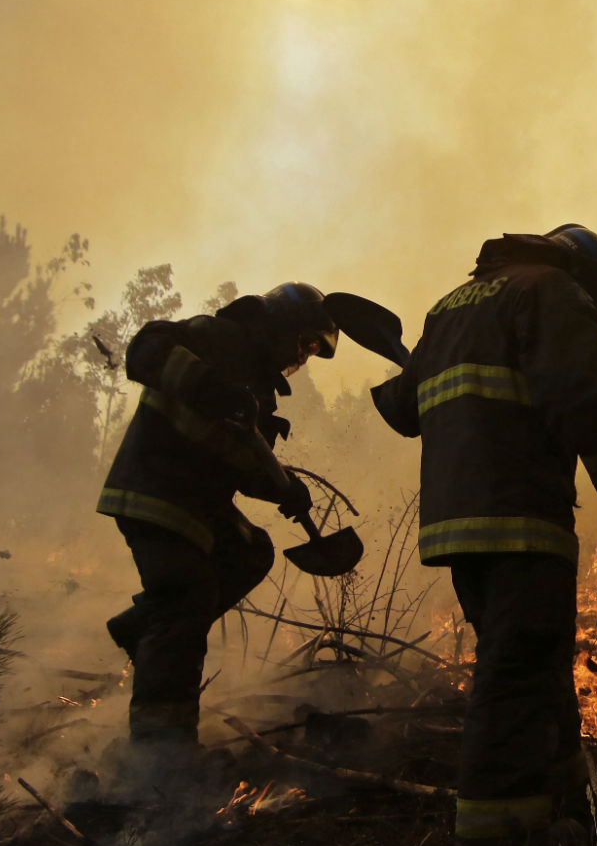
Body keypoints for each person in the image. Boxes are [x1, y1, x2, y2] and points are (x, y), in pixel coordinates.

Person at [371, 224, 597, 846]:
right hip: (521, 515)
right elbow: (576, 386)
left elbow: (402, 408)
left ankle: (559, 825)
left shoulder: (452, 305)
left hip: (457, 526)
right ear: (590, 279)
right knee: (512, 678)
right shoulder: (551, 291)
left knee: (536, 664)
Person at [98, 281, 402, 758]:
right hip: (156, 489)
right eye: (304, 344)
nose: (301, 359)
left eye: (311, 353)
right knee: (183, 602)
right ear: (281, 324)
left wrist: (284, 488)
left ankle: (141, 626)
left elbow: (240, 457)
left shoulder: (257, 390)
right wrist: (208, 387)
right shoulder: (218, 336)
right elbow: (145, 348)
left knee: (250, 552)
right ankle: (161, 754)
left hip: (198, 504)